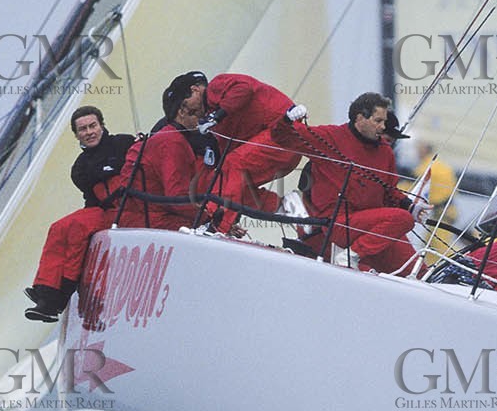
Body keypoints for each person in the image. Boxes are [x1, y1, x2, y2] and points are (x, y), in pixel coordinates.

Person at [272, 92, 420, 275]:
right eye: (378, 121)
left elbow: (389, 192)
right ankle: (349, 257)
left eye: (384, 121)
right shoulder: (329, 137)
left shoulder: (385, 152)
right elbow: (282, 137)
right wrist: (287, 118)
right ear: (360, 118)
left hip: (373, 227)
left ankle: (354, 255)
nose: (383, 127)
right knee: (402, 219)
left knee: (419, 273)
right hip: (340, 225)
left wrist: (411, 206)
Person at [23, 106, 136, 322]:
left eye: (93, 126)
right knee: (58, 227)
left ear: (102, 125)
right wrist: (108, 170)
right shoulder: (79, 167)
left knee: (77, 229)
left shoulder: (124, 143)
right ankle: (46, 291)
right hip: (102, 209)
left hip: (129, 207)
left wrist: (107, 171)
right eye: (82, 129)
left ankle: (61, 293)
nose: (89, 132)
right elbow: (92, 182)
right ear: (76, 135)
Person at [114, 83, 215, 232]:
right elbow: (176, 196)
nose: (201, 119)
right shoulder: (173, 142)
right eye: (198, 114)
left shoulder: (163, 138)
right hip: (156, 221)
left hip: (137, 219)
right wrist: (207, 217)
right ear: (181, 112)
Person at [200, 71, 298, 219]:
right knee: (226, 181)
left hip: (282, 131)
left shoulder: (214, 87)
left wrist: (216, 116)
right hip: (283, 146)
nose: (188, 112)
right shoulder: (216, 126)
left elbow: (244, 88)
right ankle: (287, 207)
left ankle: (217, 226)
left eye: (184, 105)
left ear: (195, 90)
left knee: (232, 167)